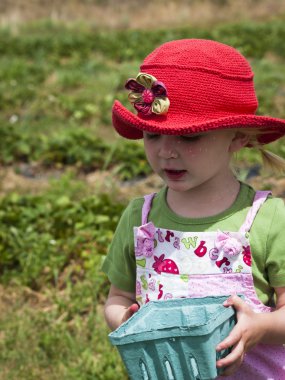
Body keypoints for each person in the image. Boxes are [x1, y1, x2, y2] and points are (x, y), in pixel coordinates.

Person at [102, 39, 285, 378]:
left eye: (188, 138)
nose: (166, 151)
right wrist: (126, 320)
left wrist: (259, 327)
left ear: (237, 136)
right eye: (153, 136)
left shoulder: (268, 219)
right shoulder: (140, 219)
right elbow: (117, 296)